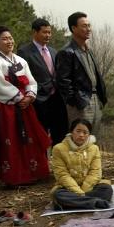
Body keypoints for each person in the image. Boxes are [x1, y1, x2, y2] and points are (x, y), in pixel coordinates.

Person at [0, 26, 51, 186]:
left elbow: (32, 81)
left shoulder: (21, 61)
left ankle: (34, 173)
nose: (9, 41)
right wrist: (19, 97)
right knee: (11, 140)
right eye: (5, 39)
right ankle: (14, 177)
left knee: (30, 138)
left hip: (25, 106)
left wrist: (29, 96)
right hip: (8, 108)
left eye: (10, 38)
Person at [17, 18, 68, 146]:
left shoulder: (53, 51)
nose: (48, 35)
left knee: (60, 136)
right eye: (44, 32)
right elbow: (23, 77)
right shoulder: (24, 52)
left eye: (49, 32)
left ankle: (58, 164)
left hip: (56, 99)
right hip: (39, 101)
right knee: (40, 136)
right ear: (35, 32)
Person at [56, 12, 107, 136]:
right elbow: (63, 81)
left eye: (89, 25)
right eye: (84, 26)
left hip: (95, 99)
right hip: (80, 102)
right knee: (79, 138)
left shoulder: (88, 50)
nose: (88, 29)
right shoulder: (67, 52)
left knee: (93, 138)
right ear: (74, 28)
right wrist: (75, 101)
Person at [51, 119, 112, 209]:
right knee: (58, 194)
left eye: (85, 132)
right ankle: (94, 202)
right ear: (72, 132)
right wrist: (78, 192)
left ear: (89, 135)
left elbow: (95, 172)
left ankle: (75, 203)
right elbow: (62, 175)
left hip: (89, 187)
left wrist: (82, 191)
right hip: (67, 188)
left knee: (106, 190)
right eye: (78, 131)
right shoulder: (58, 149)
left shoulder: (94, 148)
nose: (81, 135)